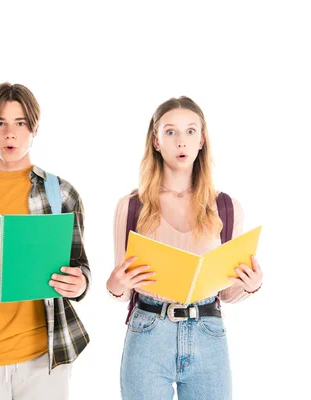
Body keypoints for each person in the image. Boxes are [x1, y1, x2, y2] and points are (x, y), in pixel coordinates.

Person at [0, 83, 90, 400]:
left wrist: (78, 284)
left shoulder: (61, 193)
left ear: (33, 128)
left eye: (20, 123)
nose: (10, 134)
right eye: (0, 123)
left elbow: (81, 269)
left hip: (44, 356)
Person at [106, 96, 263, 399]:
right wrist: (114, 284)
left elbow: (228, 294)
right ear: (155, 141)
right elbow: (123, 289)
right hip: (148, 333)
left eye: (191, 131)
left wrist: (251, 285)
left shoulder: (227, 207)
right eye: (170, 132)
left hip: (208, 334)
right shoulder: (131, 207)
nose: (181, 141)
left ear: (203, 140)